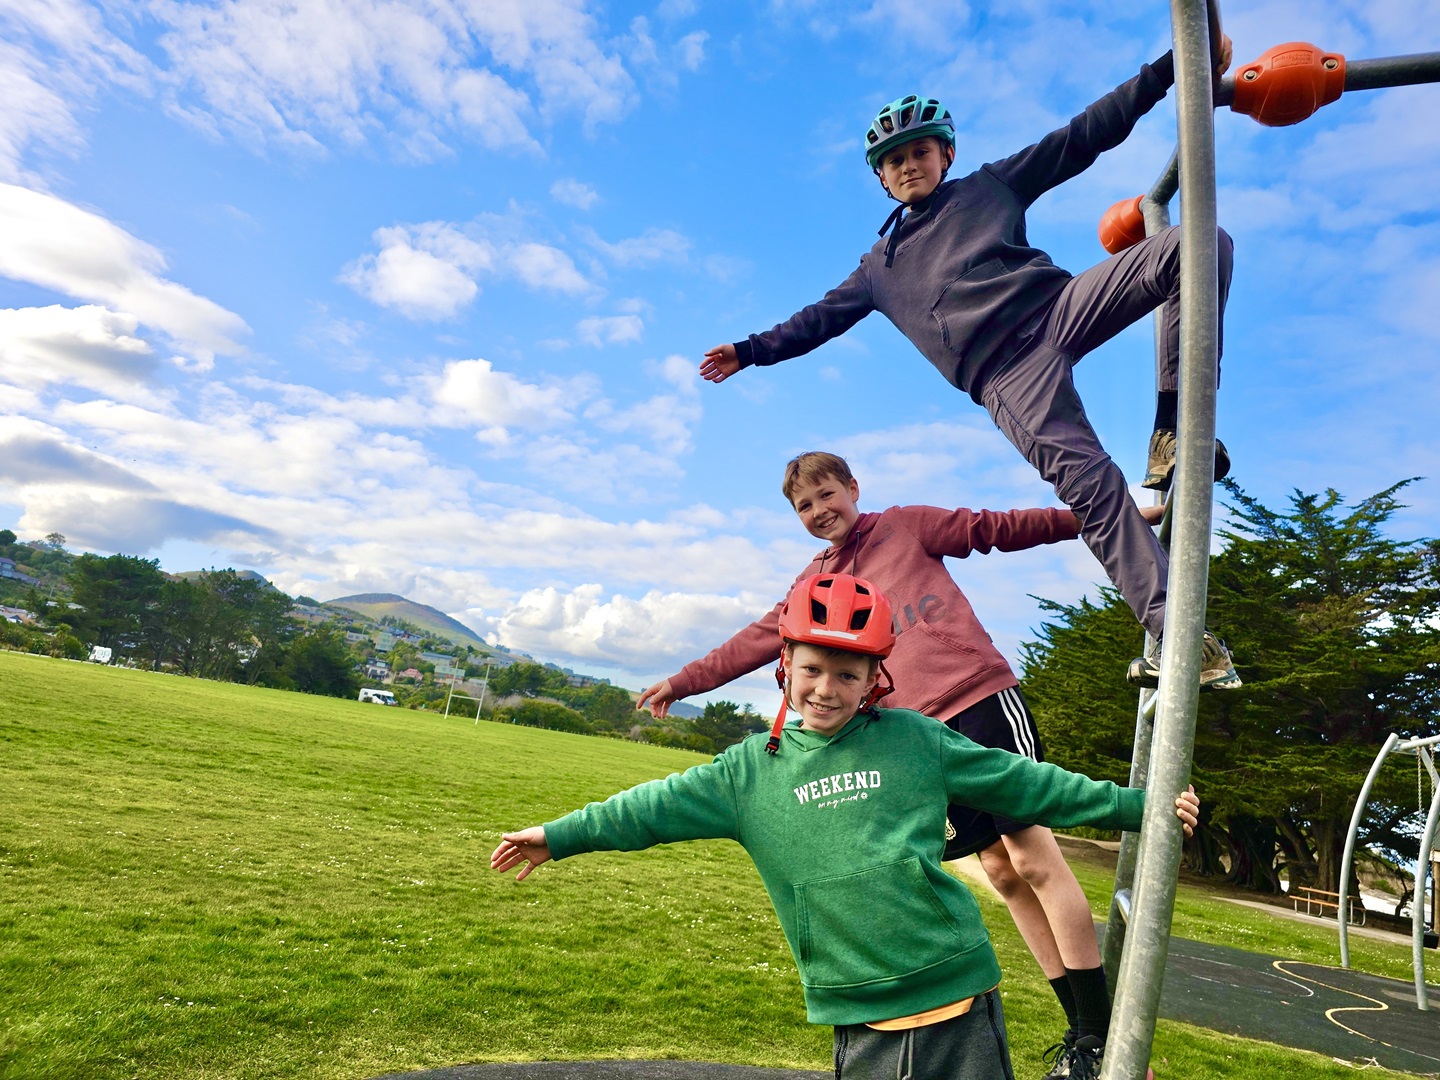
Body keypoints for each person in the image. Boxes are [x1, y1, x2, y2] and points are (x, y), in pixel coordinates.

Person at [496, 573, 1201, 1080]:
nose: (826, 690)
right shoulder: (747, 773)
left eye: (846, 675)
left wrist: (1141, 806)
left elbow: (1029, 784)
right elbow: (647, 809)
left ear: (873, 680)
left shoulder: (917, 742)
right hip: (855, 1016)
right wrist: (559, 836)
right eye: (812, 670)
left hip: (956, 1003)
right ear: (784, 668)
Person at [696, 42, 1240, 692]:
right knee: (1093, 489)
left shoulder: (989, 187)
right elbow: (816, 320)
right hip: (1008, 378)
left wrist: (1170, 70)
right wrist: (751, 350)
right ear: (881, 177)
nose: (907, 167)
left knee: (1196, 245)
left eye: (919, 152)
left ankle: (1173, 425)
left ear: (944, 153)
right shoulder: (878, 269)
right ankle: (1173, 633)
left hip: (1060, 307)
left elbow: (1084, 135)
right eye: (893, 161)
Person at [637, 451, 1160, 1077]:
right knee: (1000, 871)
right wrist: (683, 681)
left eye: (826, 494)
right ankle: (1080, 1034)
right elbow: (758, 639)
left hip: (978, 698)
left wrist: (1109, 516)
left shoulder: (905, 527)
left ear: (853, 489)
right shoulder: (814, 588)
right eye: (803, 506)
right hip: (923, 734)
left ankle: (1099, 1034)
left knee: (1030, 856)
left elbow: (998, 527)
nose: (818, 511)